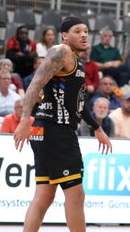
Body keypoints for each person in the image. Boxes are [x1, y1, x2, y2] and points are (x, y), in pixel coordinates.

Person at [13, 17, 112, 232]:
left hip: (46, 130)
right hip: (56, 130)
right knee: (76, 195)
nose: (84, 34)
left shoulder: (77, 62)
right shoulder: (61, 51)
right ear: (65, 35)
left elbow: (78, 103)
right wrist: (23, 120)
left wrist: (97, 128)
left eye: (86, 31)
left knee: (44, 196)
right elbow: (34, 84)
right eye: (78, 31)